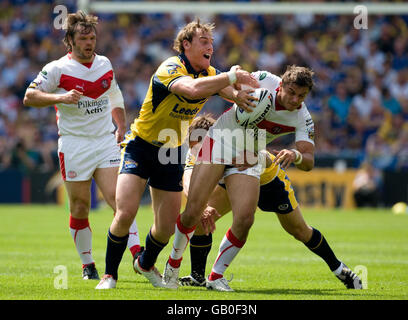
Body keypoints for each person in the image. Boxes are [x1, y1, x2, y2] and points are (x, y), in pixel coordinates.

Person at [163, 65, 362, 291]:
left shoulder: (302, 117)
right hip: (222, 142)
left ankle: (215, 276)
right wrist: (235, 87)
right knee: (195, 212)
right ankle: (173, 266)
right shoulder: (263, 81)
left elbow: (308, 161)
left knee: (249, 220)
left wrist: (294, 154)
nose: (295, 99)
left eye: (302, 96)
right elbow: (225, 84)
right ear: (281, 86)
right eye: (292, 93)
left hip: (252, 158)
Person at [95, 19, 259, 289]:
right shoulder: (170, 67)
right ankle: (109, 275)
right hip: (141, 146)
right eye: (204, 42)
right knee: (125, 212)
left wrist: (246, 94)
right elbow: (193, 89)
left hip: (170, 152)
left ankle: (145, 263)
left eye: (212, 43)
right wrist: (230, 77)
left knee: (166, 228)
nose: (210, 47)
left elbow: (233, 92)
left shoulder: (210, 73)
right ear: (186, 44)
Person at [23, 11, 141, 280]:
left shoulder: (105, 63)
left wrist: (120, 125)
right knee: (79, 207)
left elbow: (114, 93)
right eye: (83, 38)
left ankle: (138, 255)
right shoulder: (57, 69)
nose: (89, 43)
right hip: (74, 144)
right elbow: (29, 97)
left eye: (92, 37)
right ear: (70, 41)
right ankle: (88, 264)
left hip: (104, 141)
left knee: (120, 201)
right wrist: (61, 98)